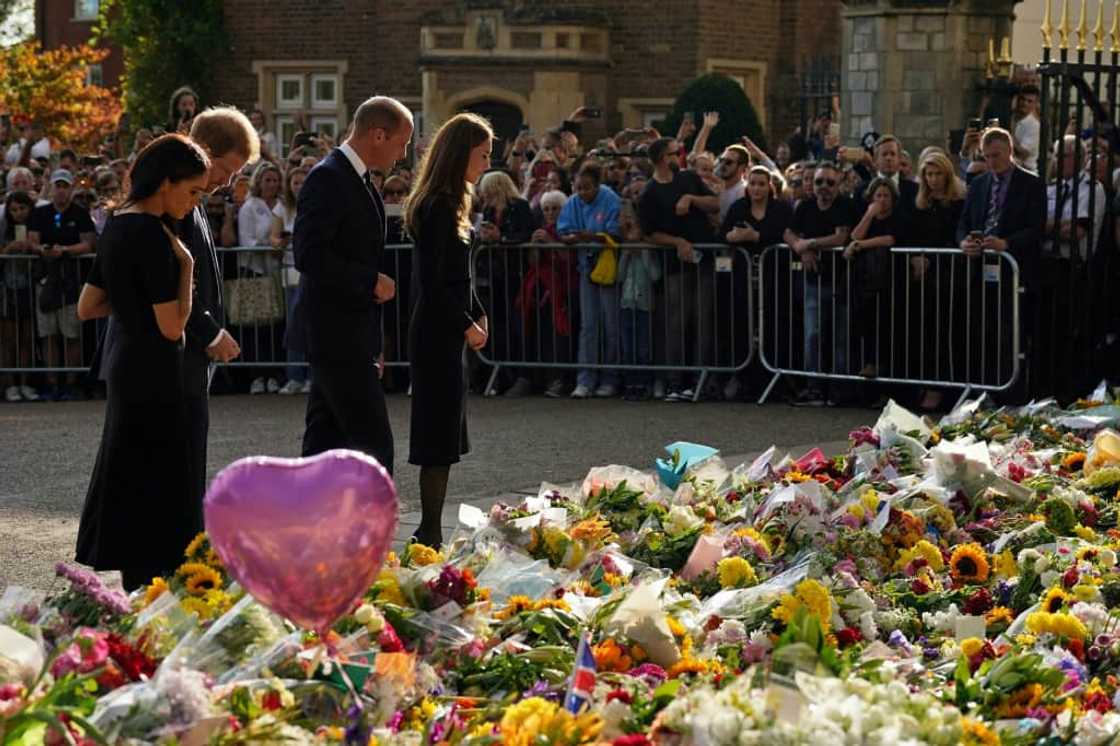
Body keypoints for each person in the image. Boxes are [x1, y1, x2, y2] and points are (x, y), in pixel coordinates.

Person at [95, 107, 258, 529]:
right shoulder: (166, 206)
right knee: (165, 468)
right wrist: (208, 331)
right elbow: (167, 288)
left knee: (181, 465)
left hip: (176, 353)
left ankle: (179, 554)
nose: (226, 181)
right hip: (166, 353)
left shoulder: (189, 201)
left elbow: (92, 301)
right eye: (225, 168)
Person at [74, 134, 211, 590]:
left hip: (125, 365)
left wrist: (132, 304)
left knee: (129, 469)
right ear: (166, 182)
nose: (193, 204)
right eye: (191, 192)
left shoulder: (116, 222)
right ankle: (154, 581)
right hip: (155, 369)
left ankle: (136, 577)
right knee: (157, 475)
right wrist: (187, 268)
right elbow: (174, 325)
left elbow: (89, 305)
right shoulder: (154, 233)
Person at [294, 96, 411, 474]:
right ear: (378, 135)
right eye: (401, 142)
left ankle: (307, 526)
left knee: (323, 443)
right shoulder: (330, 177)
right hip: (336, 334)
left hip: (349, 334)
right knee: (373, 448)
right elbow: (308, 254)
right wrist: (369, 281)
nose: (404, 152)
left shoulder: (356, 179)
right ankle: (371, 532)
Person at [403, 112, 492, 547]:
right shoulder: (438, 205)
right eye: (483, 154)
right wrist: (466, 324)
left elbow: (462, 276)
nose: (486, 163)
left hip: (450, 325)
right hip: (437, 330)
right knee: (436, 435)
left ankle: (431, 525)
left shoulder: (456, 201)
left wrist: (478, 313)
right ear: (461, 153)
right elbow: (435, 283)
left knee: (446, 433)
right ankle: (429, 528)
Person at [28, 168, 96, 400]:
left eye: (65, 186)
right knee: (48, 333)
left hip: (70, 281)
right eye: (58, 185)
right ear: (52, 188)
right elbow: (32, 241)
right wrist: (44, 250)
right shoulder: (40, 213)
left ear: (71, 188)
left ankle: (70, 382)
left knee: (71, 334)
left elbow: (88, 244)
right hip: (46, 281)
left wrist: (65, 251)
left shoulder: (80, 213)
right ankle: (52, 382)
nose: (61, 190)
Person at [559, 162, 622, 399]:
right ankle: (585, 380)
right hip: (586, 268)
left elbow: (615, 232)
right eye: (578, 188)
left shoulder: (610, 199)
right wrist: (571, 238)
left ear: (597, 185)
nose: (582, 193)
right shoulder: (573, 202)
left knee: (611, 326)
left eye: (587, 188)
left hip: (608, 270)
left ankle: (610, 378)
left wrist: (591, 236)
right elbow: (564, 229)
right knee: (589, 326)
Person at [271, 166, 310, 395]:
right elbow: (273, 237)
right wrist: (281, 242)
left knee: (311, 325)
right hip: (290, 272)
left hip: (310, 272)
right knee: (293, 325)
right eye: (295, 182)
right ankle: (294, 375)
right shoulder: (283, 208)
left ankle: (312, 377)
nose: (299, 186)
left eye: (302, 182)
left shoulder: (315, 203)